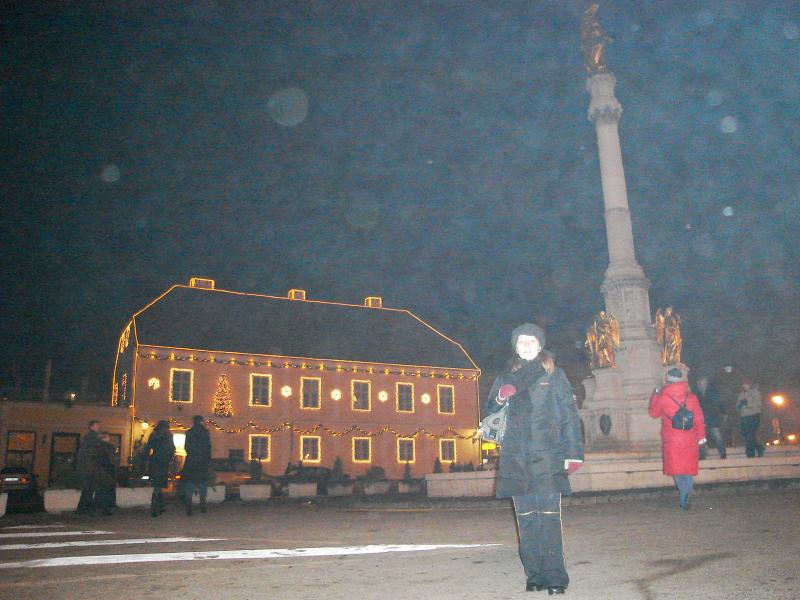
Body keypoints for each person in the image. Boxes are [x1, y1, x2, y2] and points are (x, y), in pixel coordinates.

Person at [483, 323, 584, 595]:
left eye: (531, 341)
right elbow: (489, 409)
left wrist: (574, 453)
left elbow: (569, 415)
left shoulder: (554, 375)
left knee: (549, 517)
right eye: (522, 341)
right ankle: (534, 574)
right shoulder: (506, 377)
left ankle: (555, 577)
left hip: (547, 455)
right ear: (515, 347)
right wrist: (501, 396)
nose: (526, 345)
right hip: (516, 456)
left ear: (540, 346)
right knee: (526, 518)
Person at [649, 368, 706, 509]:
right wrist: (701, 437)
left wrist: (655, 395)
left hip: (673, 438)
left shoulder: (663, 397)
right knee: (687, 468)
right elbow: (699, 418)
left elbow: (654, 413)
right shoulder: (691, 397)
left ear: (667, 380)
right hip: (690, 437)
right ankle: (687, 492)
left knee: (677, 469)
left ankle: (684, 494)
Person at [181, 415, 211, 516]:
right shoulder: (205, 433)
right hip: (202, 461)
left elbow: (187, 447)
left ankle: (189, 505)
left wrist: (192, 454)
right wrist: (206, 458)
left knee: (190, 483)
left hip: (191, 461)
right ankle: (202, 505)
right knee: (202, 483)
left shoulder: (189, 432)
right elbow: (208, 447)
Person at [145, 420, 175, 517]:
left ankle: (160, 505)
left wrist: (148, 459)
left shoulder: (153, 435)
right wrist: (170, 458)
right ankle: (155, 507)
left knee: (158, 484)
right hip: (163, 462)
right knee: (159, 485)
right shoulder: (168, 436)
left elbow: (148, 448)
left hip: (154, 462)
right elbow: (172, 448)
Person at [694, 376, 727, 459]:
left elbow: (719, 402)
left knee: (717, 435)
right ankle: (702, 454)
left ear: (706, 383)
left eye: (703, 383)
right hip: (701, 418)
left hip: (712, 417)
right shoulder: (696, 394)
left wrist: (724, 412)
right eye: (700, 383)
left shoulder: (712, 392)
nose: (702, 385)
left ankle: (722, 452)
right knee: (701, 437)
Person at [75, 420, 101, 515]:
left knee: (87, 489)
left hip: (87, 467)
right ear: (91, 427)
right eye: (96, 425)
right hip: (90, 468)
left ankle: (82, 508)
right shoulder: (92, 437)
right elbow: (93, 452)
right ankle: (87, 508)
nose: (98, 427)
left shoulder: (88, 437)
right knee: (89, 489)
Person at [737, 378, 764, 458]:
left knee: (750, 434)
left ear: (750, 384)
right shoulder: (741, 394)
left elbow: (758, 404)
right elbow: (737, 406)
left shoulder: (755, 392)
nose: (745, 386)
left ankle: (750, 453)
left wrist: (748, 404)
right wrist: (739, 406)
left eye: (746, 384)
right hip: (744, 417)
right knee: (745, 434)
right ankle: (759, 448)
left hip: (754, 415)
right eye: (743, 384)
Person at [94, 433, 117, 515]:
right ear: (106, 438)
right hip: (107, 471)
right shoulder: (109, 446)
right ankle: (105, 509)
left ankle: (95, 507)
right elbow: (112, 459)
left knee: (99, 490)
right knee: (106, 490)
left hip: (98, 471)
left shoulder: (96, 446)